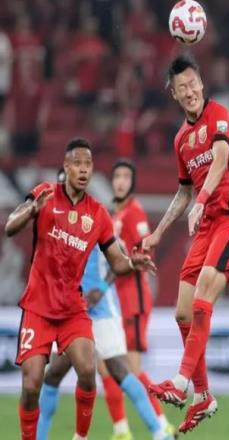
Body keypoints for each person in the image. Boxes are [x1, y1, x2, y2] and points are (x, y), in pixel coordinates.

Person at [4, 138, 155, 440]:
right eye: (78, 164)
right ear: (66, 166)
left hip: (73, 308)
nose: (84, 170)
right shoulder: (45, 194)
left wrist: (132, 262)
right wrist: (31, 210)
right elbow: (10, 227)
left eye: (88, 164)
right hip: (38, 307)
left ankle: (80, 437)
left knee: (87, 371)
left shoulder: (97, 213)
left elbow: (117, 262)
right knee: (32, 384)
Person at [142, 55, 229, 433]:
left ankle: (180, 382)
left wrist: (203, 199)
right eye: (181, 88)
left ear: (202, 84)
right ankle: (203, 395)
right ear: (174, 95)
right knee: (183, 313)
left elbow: (221, 158)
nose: (189, 91)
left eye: (192, 84)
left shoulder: (219, 114)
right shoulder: (180, 140)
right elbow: (183, 192)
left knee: (204, 294)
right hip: (206, 228)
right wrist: (158, 233)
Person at [37, 244, 176, 440]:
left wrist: (101, 289)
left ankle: (160, 433)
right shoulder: (61, 230)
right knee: (53, 374)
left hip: (102, 311)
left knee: (120, 370)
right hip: (70, 311)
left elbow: (122, 257)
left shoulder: (100, 227)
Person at [110, 158, 172, 433]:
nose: (121, 181)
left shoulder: (134, 212)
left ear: (133, 182)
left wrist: (131, 256)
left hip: (133, 300)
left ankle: (162, 425)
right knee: (114, 367)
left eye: (126, 176)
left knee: (132, 370)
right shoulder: (116, 215)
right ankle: (123, 429)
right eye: (117, 176)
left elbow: (146, 251)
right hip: (118, 301)